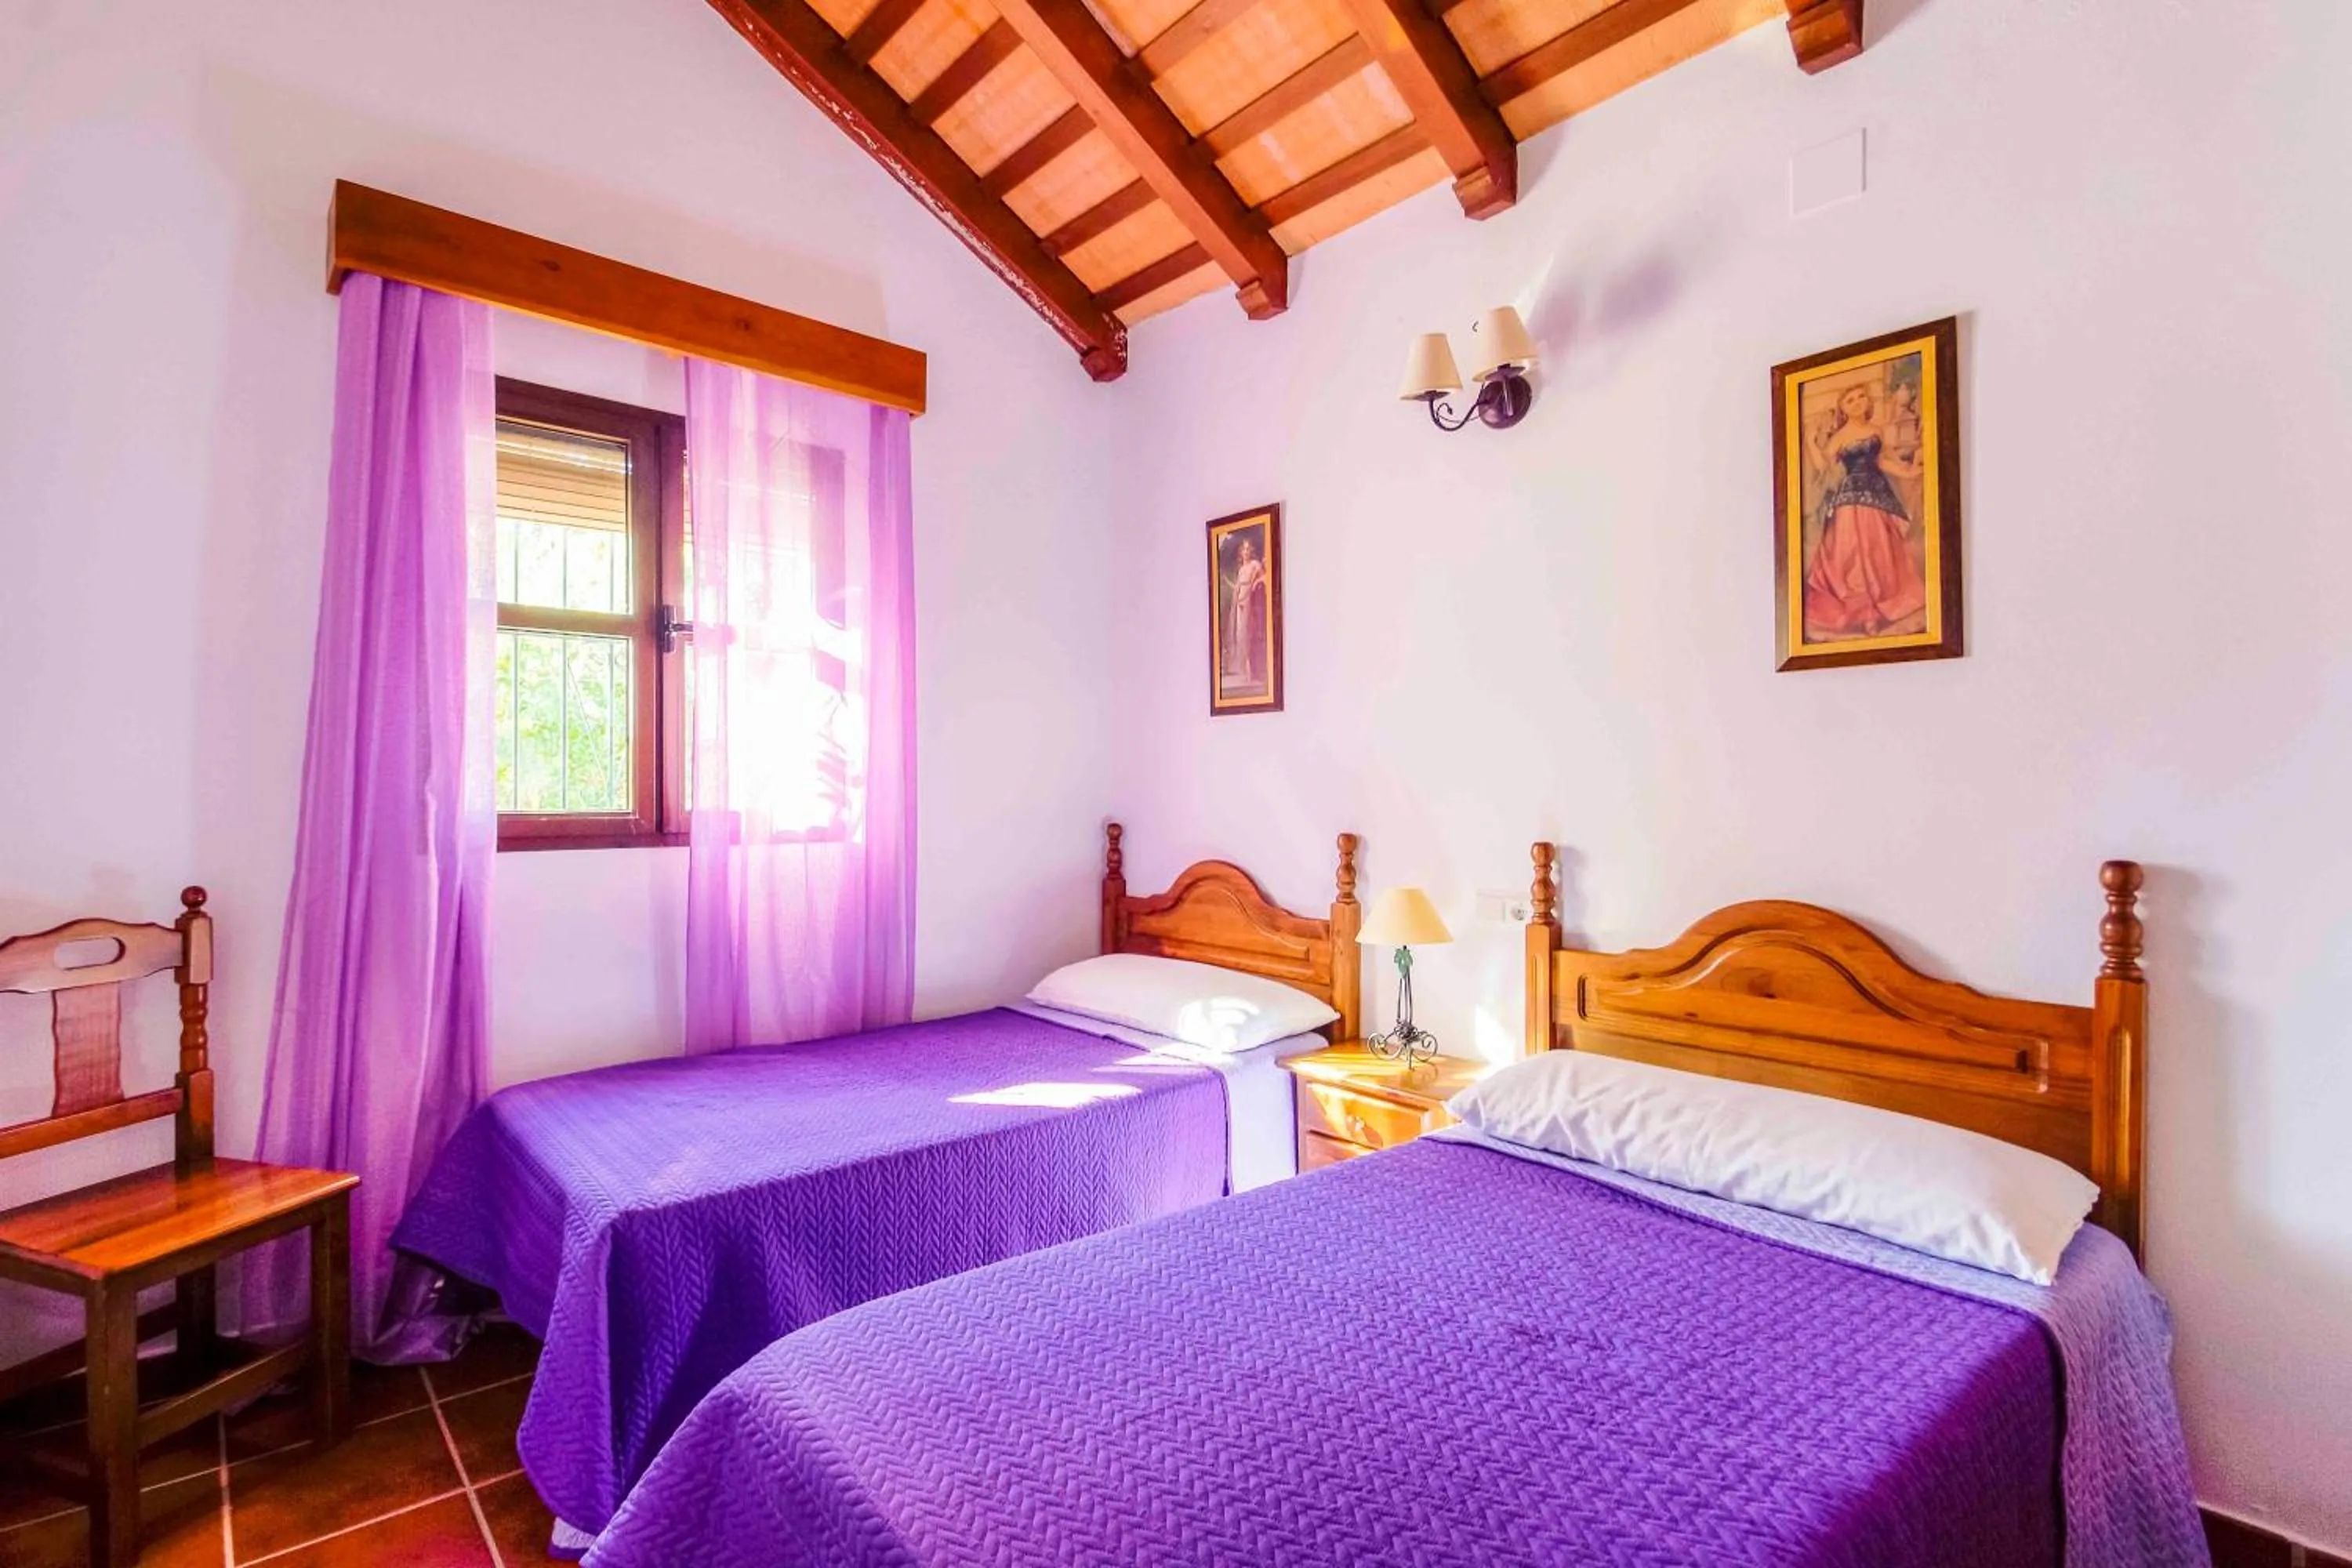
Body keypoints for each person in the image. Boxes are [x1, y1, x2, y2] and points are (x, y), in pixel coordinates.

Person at [1802, 382, 1927, 639]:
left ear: (1868, 401)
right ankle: (1863, 614)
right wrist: (1811, 443)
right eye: (1850, 400)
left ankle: (1884, 605)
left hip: (1878, 494)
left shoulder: (1876, 430)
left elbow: (1883, 462)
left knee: (1880, 549)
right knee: (1852, 553)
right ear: (1843, 409)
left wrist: (1909, 472)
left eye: (1861, 397)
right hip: (1849, 499)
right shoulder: (1840, 437)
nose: (1857, 402)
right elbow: (1824, 466)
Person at [1226, 535, 1269, 687]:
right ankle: (1244, 671)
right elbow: (1238, 587)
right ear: (1241, 552)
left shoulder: (1255, 565)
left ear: (1251, 551)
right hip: (1240, 602)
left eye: (1248, 549)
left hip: (1249, 601)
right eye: (1244, 549)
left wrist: (1255, 584)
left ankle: (1251, 672)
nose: (1246, 552)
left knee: (1247, 634)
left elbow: (1265, 577)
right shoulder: (1241, 570)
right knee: (1240, 636)